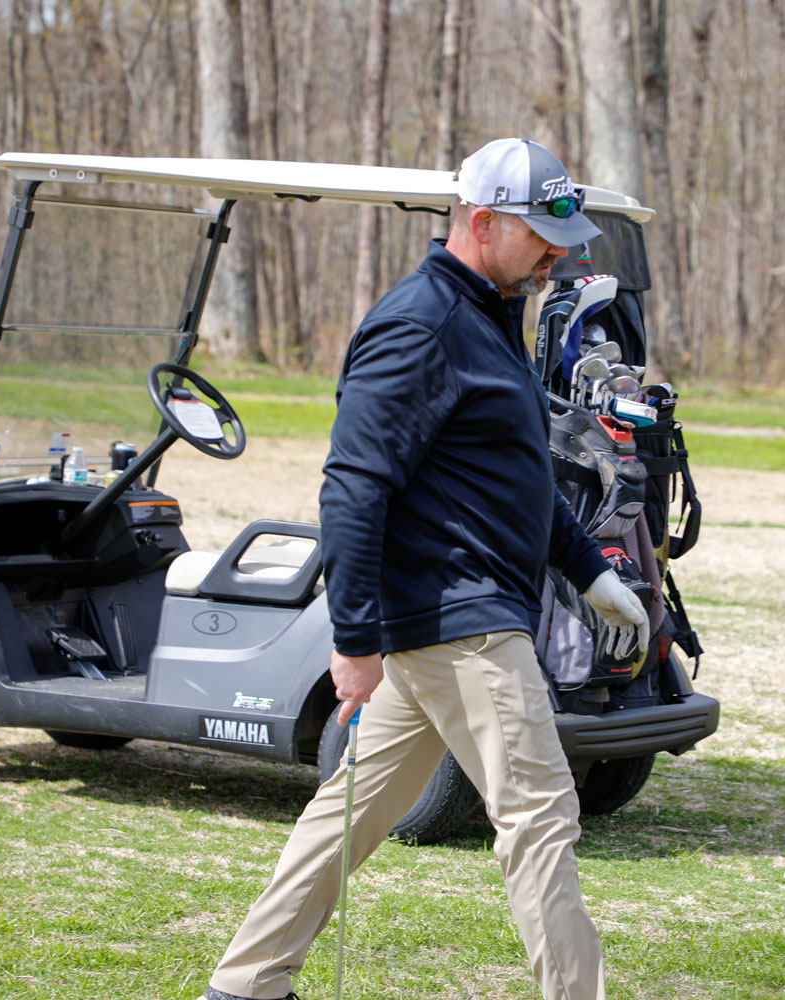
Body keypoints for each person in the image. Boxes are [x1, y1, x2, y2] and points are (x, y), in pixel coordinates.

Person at [201, 138, 649, 1000]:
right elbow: (353, 488)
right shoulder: (421, 326)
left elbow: (514, 476)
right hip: (463, 624)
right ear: (481, 223)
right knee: (541, 815)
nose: (556, 256)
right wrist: (354, 639)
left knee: (352, 809)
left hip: (448, 625)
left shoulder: (488, 315)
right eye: (541, 236)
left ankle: (245, 986)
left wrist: (589, 570)